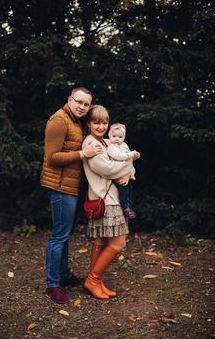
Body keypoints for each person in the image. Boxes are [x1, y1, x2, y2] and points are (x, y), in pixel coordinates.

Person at [40, 87, 103, 304]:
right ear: (69, 99)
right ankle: (52, 285)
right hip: (60, 187)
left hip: (72, 187)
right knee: (59, 236)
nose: (82, 107)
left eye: (87, 105)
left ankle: (64, 275)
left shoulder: (76, 120)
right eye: (79, 102)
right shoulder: (59, 120)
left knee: (65, 234)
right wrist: (83, 154)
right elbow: (52, 158)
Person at [82, 105, 140, 300]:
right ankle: (93, 279)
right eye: (96, 122)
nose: (101, 126)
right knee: (119, 242)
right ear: (89, 124)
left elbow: (123, 164)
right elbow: (107, 168)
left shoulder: (106, 142)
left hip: (108, 198)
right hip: (107, 200)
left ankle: (95, 281)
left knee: (102, 240)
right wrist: (129, 162)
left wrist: (128, 172)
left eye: (104, 123)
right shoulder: (92, 144)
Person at [107, 123, 139, 220]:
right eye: (114, 136)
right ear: (109, 136)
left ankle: (129, 206)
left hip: (126, 173)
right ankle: (125, 208)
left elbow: (129, 156)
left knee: (129, 188)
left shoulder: (124, 145)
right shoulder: (111, 147)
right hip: (117, 173)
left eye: (120, 136)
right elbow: (119, 156)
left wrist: (135, 156)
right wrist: (130, 155)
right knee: (123, 188)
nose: (117, 139)